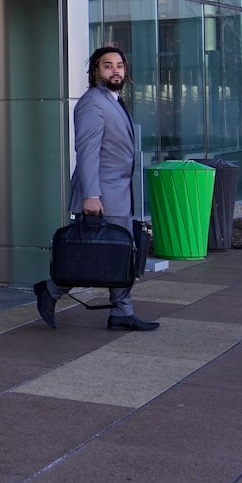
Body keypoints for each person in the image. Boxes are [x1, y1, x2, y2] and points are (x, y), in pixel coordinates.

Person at [34, 46, 158, 331]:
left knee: (119, 254)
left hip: (119, 192)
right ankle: (50, 290)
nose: (115, 70)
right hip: (103, 193)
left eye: (119, 65)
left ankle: (121, 313)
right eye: (107, 65)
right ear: (95, 72)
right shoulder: (93, 103)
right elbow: (87, 151)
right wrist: (91, 194)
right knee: (96, 253)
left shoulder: (113, 100)